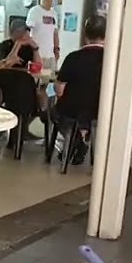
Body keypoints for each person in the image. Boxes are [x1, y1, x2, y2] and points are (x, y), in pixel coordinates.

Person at [54, 15, 107, 165]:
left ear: (85, 34)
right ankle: (83, 135)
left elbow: (59, 89)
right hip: (101, 110)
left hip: (71, 109)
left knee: (54, 114)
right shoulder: (112, 60)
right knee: (87, 116)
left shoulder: (73, 57)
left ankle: (77, 137)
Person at [25, 0, 60, 69]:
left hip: (50, 55)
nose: (55, 0)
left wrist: (56, 49)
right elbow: (27, 31)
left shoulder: (54, 13)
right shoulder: (34, 11)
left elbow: (55, 33)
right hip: (38, 54)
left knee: (51, 78)